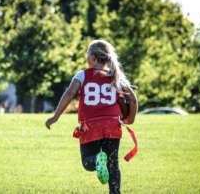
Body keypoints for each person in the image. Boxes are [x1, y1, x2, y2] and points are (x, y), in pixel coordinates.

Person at [45, 40, 138, 194]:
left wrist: (55, 117)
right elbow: (133, 99)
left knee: (88, 161)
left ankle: (97, 160)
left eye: (87, 54)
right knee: (113, 164)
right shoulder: (115, 76)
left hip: (90, 125)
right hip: (112, 124)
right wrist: (131, 119)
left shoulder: (82, 74)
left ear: (93, 58)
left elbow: (69, 93)